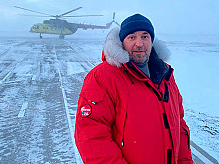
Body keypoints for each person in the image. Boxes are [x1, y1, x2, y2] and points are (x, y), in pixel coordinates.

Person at [74, 14, 193, 164]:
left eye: (145, 37)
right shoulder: (103, 77)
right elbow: (91, 136)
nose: (139, 43)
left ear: (152, 41)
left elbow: (179, 125)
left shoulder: (165, 75)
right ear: (122, 42)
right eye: (132, 37)